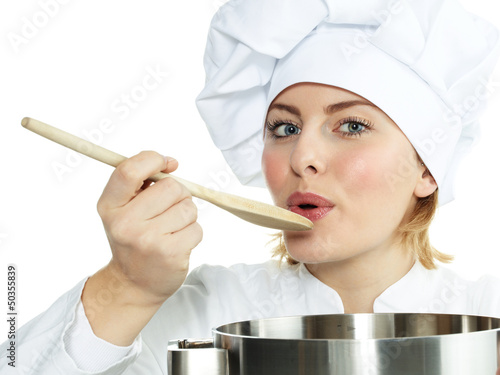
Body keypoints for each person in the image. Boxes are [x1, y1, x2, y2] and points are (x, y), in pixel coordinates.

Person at [2, 0, 500, 373]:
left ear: (428, 167)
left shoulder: (486, 317)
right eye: (283, 128)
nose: (302, 157)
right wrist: (125, 288)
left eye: (350, 126)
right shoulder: (202, 309)